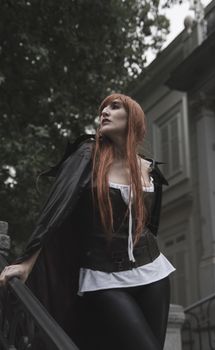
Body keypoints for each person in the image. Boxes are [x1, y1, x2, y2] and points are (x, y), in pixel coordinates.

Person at [0, 93, 175, 350]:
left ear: (134, 118)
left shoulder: (148, 169)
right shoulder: (87, 156)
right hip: (104, 278)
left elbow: (148, 224)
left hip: (154, 273)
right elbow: (56, 209)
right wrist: (27, 262)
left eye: (115, 107)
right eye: (103, 108)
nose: (104, 111)